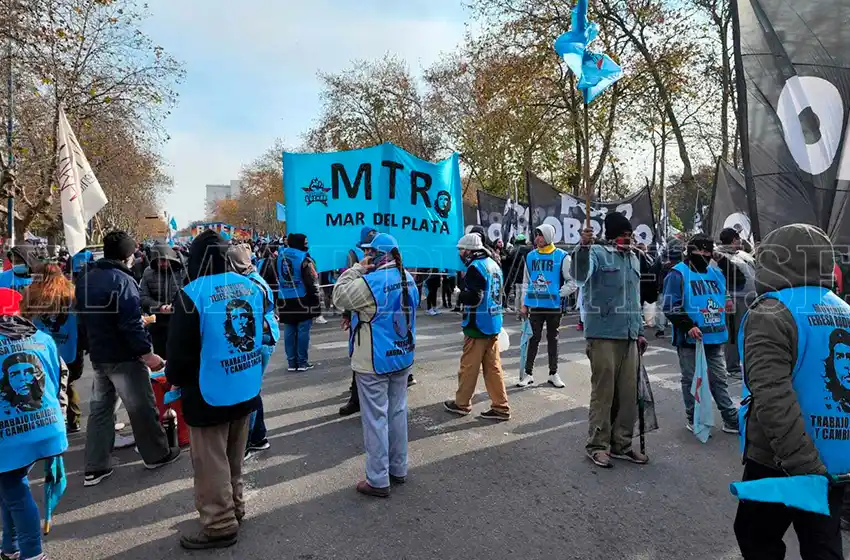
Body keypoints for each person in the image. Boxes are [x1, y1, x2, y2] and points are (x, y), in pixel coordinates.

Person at [734, 224, 849, 559]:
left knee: (757, 537)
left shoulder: (772, 311)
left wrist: (804, 466)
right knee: (822, 546)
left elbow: (772, 397)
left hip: (781, 459)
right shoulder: (844, 310)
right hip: (836, 458)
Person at [166, 231, 270, 549]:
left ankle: (219, 523)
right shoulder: (251, 286)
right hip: (245, 385)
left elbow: (180, 353)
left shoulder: (192, 294)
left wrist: (174, 379)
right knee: (234, 457)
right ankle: (234, 506)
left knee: (211, 463)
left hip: (207, 392)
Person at [75, 231, 180, 487]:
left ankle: (95, 467)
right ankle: (156, 455)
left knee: (100, 411)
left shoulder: (86, 278)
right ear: (127, 255)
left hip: (99, 355)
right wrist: (147, 354)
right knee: (141, 407)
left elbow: (81, 317)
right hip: (124, 356)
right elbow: (130, 323)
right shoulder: (122, 280)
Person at [332, 233, 418, 497]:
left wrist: (356, 269)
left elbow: (338, 295)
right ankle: (398, 468)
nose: (365, 256)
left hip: (374, 359)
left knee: (375, 420)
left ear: (379, 255)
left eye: (369, 252)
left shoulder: (372, 281)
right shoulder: (408, 278)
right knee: (397, 413)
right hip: (401, 355)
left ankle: (378, 479)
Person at [571, 212, 649, 468]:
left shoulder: (634, 258)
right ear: (613, 235)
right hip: (603, 335)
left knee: (628, 395)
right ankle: (597, 445)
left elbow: (635, 298)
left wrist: (639, 331)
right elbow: (579, 276)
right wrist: (583, 248)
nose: (629, 239)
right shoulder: (596, 253)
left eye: (630, 235)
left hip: (629, 336)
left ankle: (621, 444)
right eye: (624, 235)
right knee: (604, 394)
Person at [0, 289, 67, 560]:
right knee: (9, 486)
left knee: (13, 489)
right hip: (47, 426)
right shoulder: (42, 337)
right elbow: (57, 378)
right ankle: (10, 546)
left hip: (9, 436)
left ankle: (33, 553)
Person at [662, 234, 739, 435]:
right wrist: (687, 325)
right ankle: (694, 418)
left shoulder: (715, 273)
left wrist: (721, 259)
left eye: (708, 251)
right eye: (701, 250)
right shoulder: (677, 274)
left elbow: (739, 280)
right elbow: (670, 306)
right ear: (690, 251)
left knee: (719, 380)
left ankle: (730, 418)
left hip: (714, 337)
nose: (705, 255)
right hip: (690, 338)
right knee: (692, 380)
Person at [444, 233, 510, 420]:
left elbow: (475, 297)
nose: (460, 253)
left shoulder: (475, 267)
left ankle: (461, 404)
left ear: (469, 251)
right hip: (493, 322)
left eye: (461, 250)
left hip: (477, 325)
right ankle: (501, 406)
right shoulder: (493, 264)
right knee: (493, 368)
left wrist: (460, 295)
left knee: (468, 368)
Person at [225, 243, 279, 459]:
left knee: (248, 394)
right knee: (253, 390)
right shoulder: (252, 279)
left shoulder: (249, 285)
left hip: (260, 341)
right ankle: (258, 437)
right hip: (262, 339)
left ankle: (245, 444)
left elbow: (251, 318)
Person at [20, 264, 86, 435]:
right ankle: (74, 420)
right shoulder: (72, 293)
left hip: (39, 348)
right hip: (69, 346)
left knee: (44, 385)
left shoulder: (30, 294)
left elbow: (23, 318)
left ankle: (52, 420)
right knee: (68, 383)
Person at [518, 224, 577, 388]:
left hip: (554, 306)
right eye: (536, 235)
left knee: (553, 339)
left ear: (549, 236)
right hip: (535, 305)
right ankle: (528, 373)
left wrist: (558, 294)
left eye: (541, 235)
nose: (537, 238)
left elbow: (572, 281)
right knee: (533, 338)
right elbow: (526, 282)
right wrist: (523, 304)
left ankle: (553, 373)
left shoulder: (562, 256)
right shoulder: (530, 256)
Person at [716, 227, 756, 380]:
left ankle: (748, 364)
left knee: (749, 333)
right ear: (734, 240)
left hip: (751, 298)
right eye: (738, 238)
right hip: (735, 300)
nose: (741, 241)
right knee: (734, 333)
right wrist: (726, 298)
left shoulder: (743, 254)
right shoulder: (719, 258)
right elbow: (719, 281)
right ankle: (732, 367)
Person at [277, 233, 321, 372]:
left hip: (284, 297)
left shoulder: (280, 256)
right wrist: (315, 298)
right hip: (302, 297)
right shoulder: (304, 258)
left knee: (289, 330)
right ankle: (302, 362)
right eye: (305, 242)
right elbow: (311, 279)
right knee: (303, 330)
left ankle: (291, 362)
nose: (307, 245)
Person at [139, 243, 185, 358]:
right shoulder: (148, 272)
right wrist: (160, 307)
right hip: (158, 326)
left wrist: (176, 306)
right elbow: (143, 297)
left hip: (180, 324)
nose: (161, 264)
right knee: (162, 359)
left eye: (164, 260)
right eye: (158, 261)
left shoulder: (183, 271)